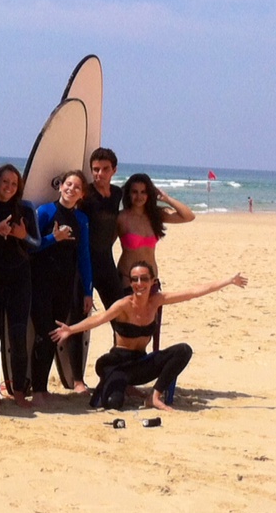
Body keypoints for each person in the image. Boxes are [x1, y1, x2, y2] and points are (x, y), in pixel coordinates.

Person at [52, 262, 248, 411]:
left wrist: (228, 281)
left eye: (144, 279)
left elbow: (192, 292)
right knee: (113, 404)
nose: (139, 284)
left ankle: (154, 396)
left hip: (140, 364)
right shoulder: (124, 305)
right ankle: (119, 386)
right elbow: (100, 319)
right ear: (130, 282)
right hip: (118, 364)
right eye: (135, 279)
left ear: (152, 281)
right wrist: (70, 330)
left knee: (183, 350)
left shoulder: (157, 301)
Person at [0, 163, 39, 406]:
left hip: (20, 279)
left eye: (14, 183)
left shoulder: (26, 208)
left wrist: (22, 237)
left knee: (18, 335)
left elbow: (36, 244)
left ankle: (19, 391)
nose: (9, 187)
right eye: (5, 182)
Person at [29, 170, 92, 402]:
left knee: (56, 336)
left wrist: (87, 291)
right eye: (68, 184)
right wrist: (52, 239)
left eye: (76, 187)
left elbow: (84, 257)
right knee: (44, 335)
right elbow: (30, 245)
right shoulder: (45, 211)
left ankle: (43, 389)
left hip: (65, 286)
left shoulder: (82, 220)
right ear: (60, 186)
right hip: (41, 283)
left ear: (81, 194)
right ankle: (37, 390)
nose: (71, 189)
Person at [116, 173, 195, 284]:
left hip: (151, 281)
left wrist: (167, 199)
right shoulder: (121, 218)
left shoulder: (155, 215)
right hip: (128, 280)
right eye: (135, 192)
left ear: (149, 194)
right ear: (128, 193)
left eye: (143, 192)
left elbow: (189, 216)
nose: (139, 196)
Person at [79, 147, 123, 309]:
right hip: (84, 263)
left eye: (105, 169)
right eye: (96, 170)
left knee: (119, 312)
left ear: (114, 170)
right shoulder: (85, 194)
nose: (100, 174)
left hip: (106, 261)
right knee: (80, 317)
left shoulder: (117, 194)